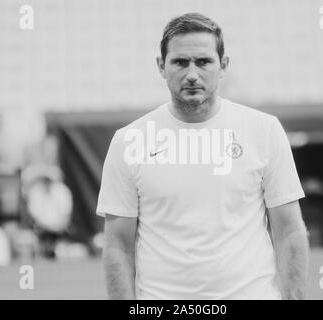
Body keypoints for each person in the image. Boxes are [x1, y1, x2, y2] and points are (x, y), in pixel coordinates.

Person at [97, 13, 309, 300]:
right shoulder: (129, 141)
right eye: (180, 62)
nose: (192, 74)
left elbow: (289, 232)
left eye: (204, 61)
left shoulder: (264, 130)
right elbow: (117, 246)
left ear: (223, 65)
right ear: (161, 66)